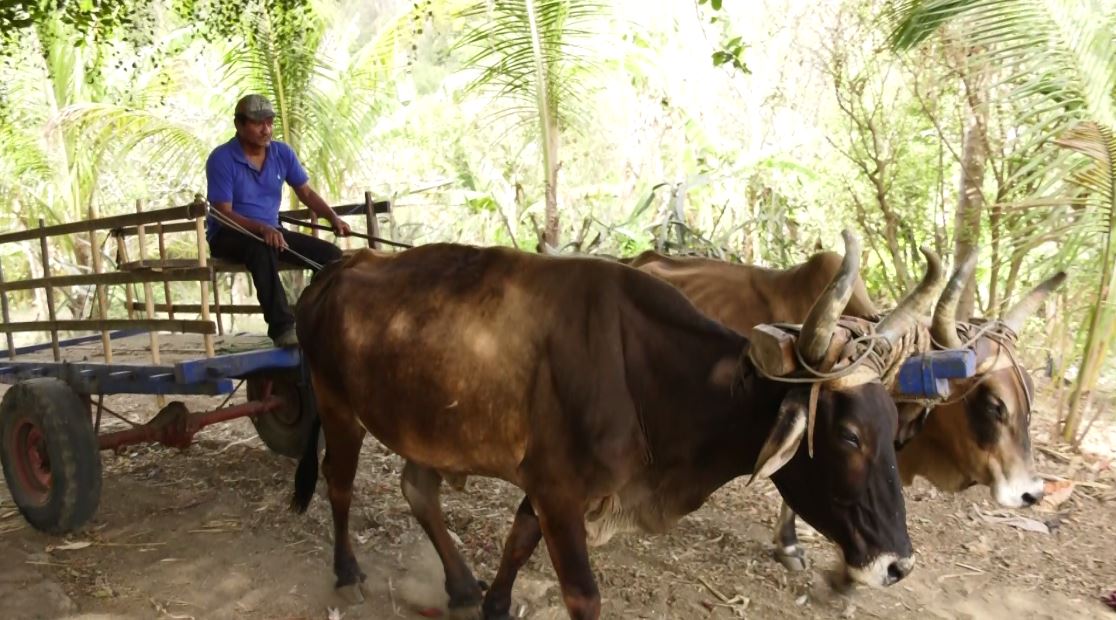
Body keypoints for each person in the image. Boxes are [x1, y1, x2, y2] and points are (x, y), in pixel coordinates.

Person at [205, 94, 351, 347]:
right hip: (228, 234)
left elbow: (305, 192)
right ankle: (282, 328)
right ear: (239, 125)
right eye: (258, 123)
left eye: (270, 122)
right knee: (262, 249)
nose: (266, 129)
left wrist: (332, 217)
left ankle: (316, 317)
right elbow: (224, 213)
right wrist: (262, 229)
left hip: (270, 232)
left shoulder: (282, 153)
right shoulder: (222, 158)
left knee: (331, 256)